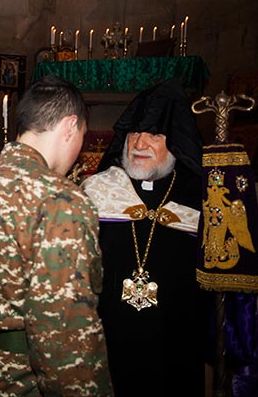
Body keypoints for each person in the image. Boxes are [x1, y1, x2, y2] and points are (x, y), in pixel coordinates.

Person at [0, 75, 113, 396]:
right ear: (70, 127)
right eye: (83, 137)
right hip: (21, 380)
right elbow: (63, 333)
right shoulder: (62, 201)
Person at [81, 79, 206, 396]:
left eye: (154, 134)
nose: (139, 143)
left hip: (174, 348)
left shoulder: (200, 197)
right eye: (134, 133)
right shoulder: (99, 191)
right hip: (109, 346)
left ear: (175, 141)